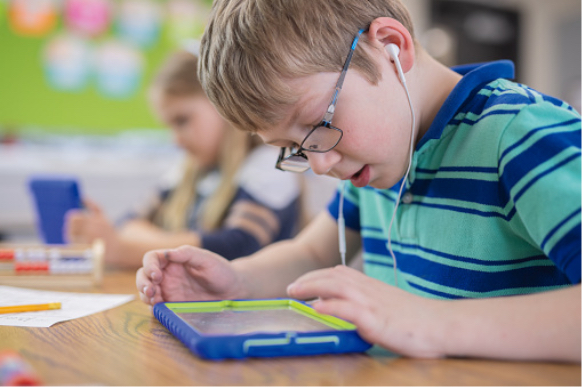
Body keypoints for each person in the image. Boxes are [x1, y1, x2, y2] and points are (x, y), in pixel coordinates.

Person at [136, 0, 581, 362]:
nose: (320, 163)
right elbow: (311, 252)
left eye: (314, 124)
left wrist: (432, 323)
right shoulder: (379, 155)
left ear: (390, 47)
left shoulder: (523, 134)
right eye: (293, 148)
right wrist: (236, 281)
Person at [66, 50, 303, 269]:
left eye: (182, 121)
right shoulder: (189, 170)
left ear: (224, 103)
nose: (176, 140)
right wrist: (168, 242)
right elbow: (128, 224)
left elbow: (235, 247)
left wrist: (125, 249)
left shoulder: (269, 165)